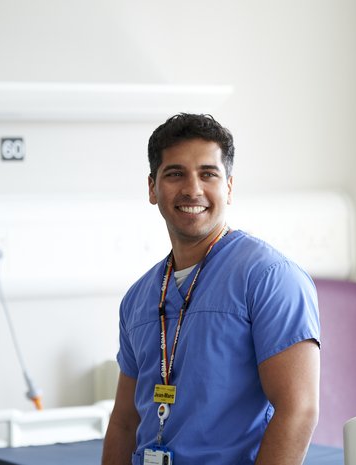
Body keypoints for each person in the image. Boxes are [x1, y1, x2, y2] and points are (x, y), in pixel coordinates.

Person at [102, 113, 320, 465]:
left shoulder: (268, 277)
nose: (192, 189)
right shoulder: (138, 299)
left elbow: (299, 410)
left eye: (208, 174)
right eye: (175, 174)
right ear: (152, 188)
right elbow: (125, 422)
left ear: (228, 187)